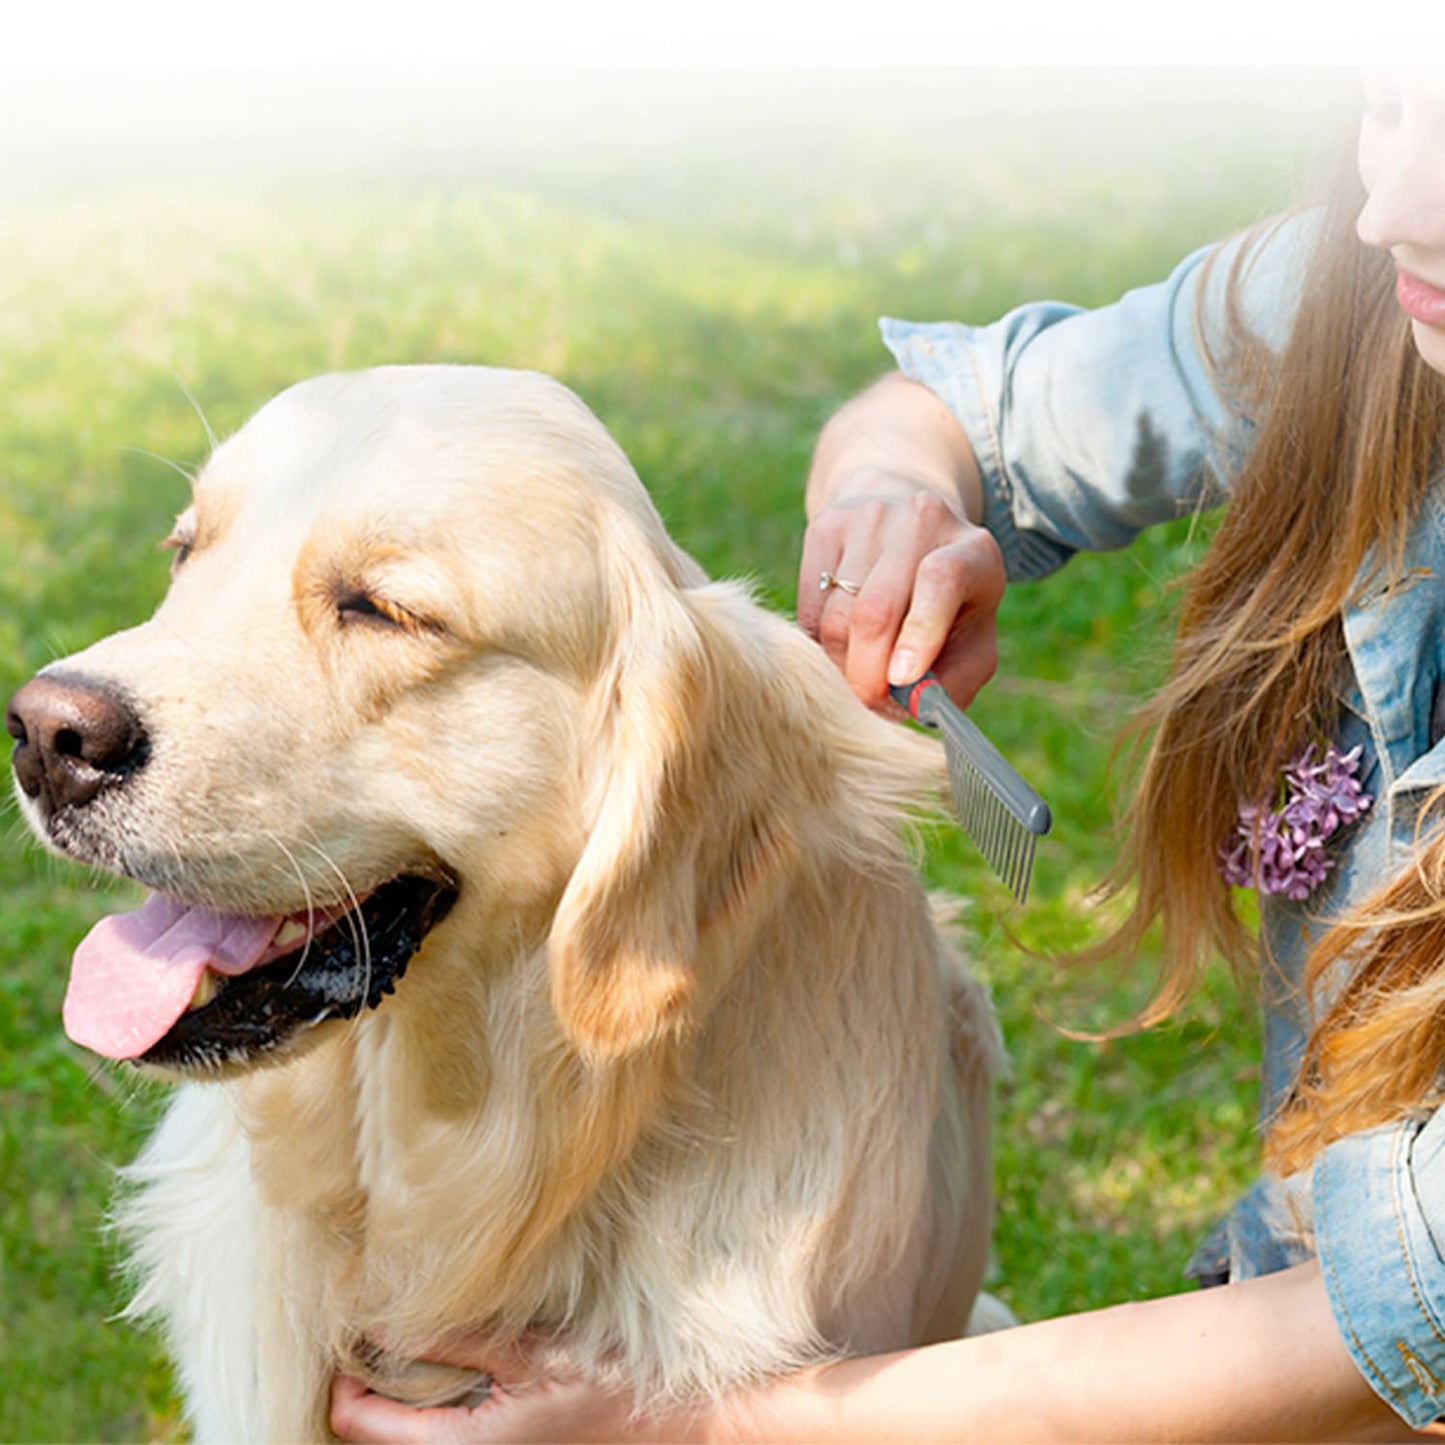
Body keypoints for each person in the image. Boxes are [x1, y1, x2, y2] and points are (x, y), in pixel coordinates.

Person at [331, 68, 1445, 1442]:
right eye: (1388, 101)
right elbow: (952, 412)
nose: (1393, 200)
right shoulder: (1358, 292)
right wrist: (892, 501)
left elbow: (1389, 1324)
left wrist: (690, 1424)